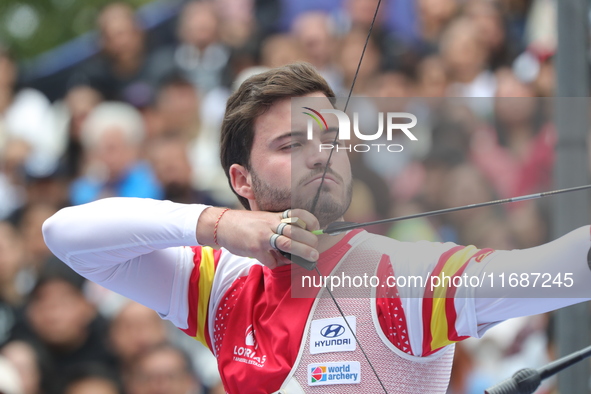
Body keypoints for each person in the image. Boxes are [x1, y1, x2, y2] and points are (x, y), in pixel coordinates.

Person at [43, 63, 591, 393]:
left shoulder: (399, 277)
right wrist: (223, 226)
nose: (321, 156)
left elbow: (564, 269)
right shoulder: (222, 283)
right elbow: (66, 235)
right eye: (290, 145)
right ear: (242, 179)